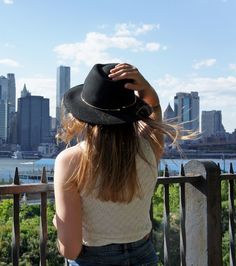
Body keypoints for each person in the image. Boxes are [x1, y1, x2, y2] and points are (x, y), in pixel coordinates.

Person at [53, 63, 178, 265]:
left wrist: (58, 225)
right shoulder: (148, 149)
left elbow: (71, 249)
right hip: (144, 254)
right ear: (133, 110)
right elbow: (154, 109)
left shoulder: (70, 161)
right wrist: (146, 89)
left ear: (82, 113)